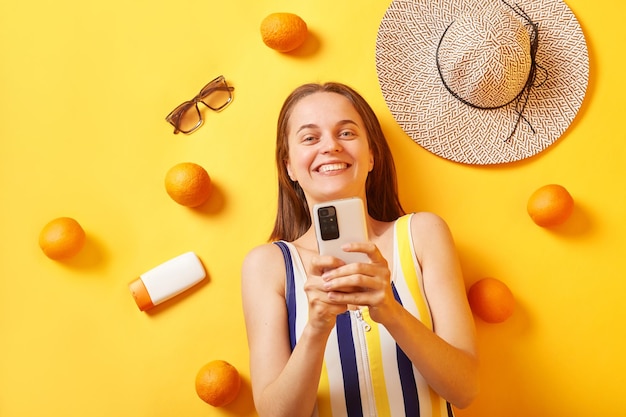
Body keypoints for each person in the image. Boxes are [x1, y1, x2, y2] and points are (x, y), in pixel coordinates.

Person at [241, 82, 479, 417]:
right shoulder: (268, 266)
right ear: (289, 167)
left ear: (371, 156)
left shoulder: (422, 234)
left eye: (347, 133)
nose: (330, 147)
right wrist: (317, 327)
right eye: (310, 138)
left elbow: (465, 390)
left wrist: (392, 312)